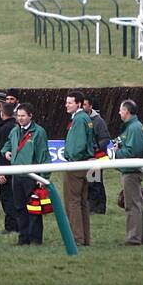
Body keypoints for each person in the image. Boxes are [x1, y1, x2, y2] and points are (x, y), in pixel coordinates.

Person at [4, 104, 49, 246]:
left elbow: (43, 155)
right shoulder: (15, 130)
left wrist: (44, 177)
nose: (20, 118)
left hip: (32, 176)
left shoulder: (39, 132)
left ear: (30, 116)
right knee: (19, 208)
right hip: (16, 175)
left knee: (34, 209)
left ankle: (35, 239)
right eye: (18, 116)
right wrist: (6, 151)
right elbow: (7, 145)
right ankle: (23, 239)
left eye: (23, 115)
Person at [62, 92, 95, 247]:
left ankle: (77, 239)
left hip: (76, 164)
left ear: (79, 104)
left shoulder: (79, 119)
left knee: (72, 202)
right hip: (84, 163)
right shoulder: (84, 118)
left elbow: (78, 145)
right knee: (82, 202)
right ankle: (84, 238)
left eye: (70, 103)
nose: (66, 105)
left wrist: (71, 158)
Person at [110, 99, 143, 245]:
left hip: (131, 172)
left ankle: (134, 239)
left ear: (127, 111)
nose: (119, 112)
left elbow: (133, 151)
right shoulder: (133, 127)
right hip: (131, 171)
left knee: (132, 205)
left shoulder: (134, 128)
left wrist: (116, 154)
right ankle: (139, 237)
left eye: (120, 110)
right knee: (135, 204)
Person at [0, 101, 20, 234]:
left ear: (2, 113)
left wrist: (2, 172)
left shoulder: (4, 128)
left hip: (6, 168)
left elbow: (3, 151)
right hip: (17, 167)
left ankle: (10, 227)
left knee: (7, 199)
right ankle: (17, 225)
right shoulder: (16, 126)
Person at [83, 93, 110, 214]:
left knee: (96, 183)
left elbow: (105, 138)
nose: (82, 106)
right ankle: (91, 207)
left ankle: (99, 208)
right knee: (89, 183)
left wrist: (95, 149)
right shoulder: (81, 119)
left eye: (84, 104)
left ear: (90, 106)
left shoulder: (98, 121)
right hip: (86, 157)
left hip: (97, 157)